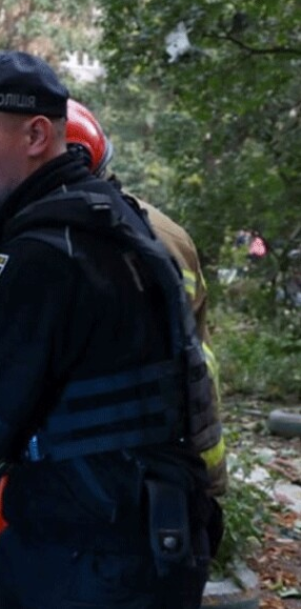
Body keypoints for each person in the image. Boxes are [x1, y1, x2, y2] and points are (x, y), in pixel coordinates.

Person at [0, 51, 219, 609]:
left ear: (36, 135)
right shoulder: (116, 224)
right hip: (145, 536)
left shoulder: (47, 257)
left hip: (89, 559)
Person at [66, 98, 227, 496]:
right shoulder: (167, 233)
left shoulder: (69, 238)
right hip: (172, 465)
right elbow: (199, 364)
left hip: (106, 473)